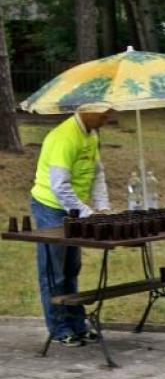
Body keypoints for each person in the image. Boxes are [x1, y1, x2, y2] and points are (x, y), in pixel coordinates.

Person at [29, 108, 112, 347]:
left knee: (71, 268)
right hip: (51, 207)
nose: (108, 119)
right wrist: (87, 212)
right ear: (86, 110)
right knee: (53, 271)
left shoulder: (91, 134)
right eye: (104, 114)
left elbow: (97, 174)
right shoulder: (64, 137)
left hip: (75, 209)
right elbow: (59, 186)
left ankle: (77, 324)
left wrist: (103, 208)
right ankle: (58, 329)